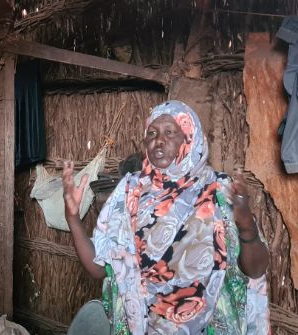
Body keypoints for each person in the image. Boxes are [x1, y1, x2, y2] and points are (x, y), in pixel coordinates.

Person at [62, 100, 270, 334]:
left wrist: (246, 225)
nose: (158, 141)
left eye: (170, 132)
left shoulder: (218, 192)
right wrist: (72, 218)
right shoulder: (129, 194)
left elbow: (255, 270)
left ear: (189, 138)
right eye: (152, 133)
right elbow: (100, 269)